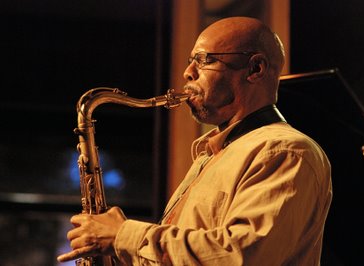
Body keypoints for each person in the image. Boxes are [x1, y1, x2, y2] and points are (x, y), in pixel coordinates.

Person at [58, 16, 332, 265]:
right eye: (191, 61)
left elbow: (239, 256)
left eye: (203, 60)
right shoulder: (211, 155)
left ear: (255, 68)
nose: (187, 73)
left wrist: (124, 235)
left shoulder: (285, 151)